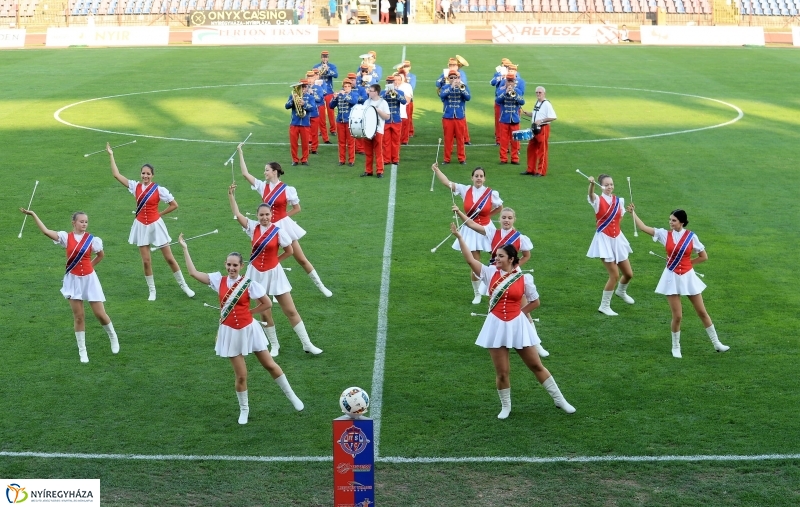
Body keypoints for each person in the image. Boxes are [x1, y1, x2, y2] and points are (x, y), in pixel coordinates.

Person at [451, 223, 575, 419]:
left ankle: (560, 400)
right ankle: (506, 406)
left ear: (511, 259)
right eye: (496, 255)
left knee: (536, 365)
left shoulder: (524, 278)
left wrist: (519, 313)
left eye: (500, 256)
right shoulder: (489, 273)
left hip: (518, 326)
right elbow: (469, 260)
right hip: (495, 326)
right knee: (502, 372)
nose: (496, 258)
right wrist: (460, 237)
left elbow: (535, 302)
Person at [179, 235, 305, 425]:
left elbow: (267, 303)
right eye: (229, 265)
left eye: (235, 265)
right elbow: (193, 273)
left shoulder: (250, 284)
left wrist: (250, 312)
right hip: (230, 332)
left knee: (270, 365)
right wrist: (185, 248)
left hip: (250, 329)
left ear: (241, 266)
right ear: (225, 264)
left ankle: (292, 396)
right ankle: (244, 409)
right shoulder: (218, 280)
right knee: (241, 375)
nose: (231, 268)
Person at [228, 184, 324, 356]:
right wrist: (231, 195)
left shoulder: (279, 232)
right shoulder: (252, 228)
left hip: (275, 274)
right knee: (265, 312)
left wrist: (275, 262)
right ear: (257, 216)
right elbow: (237, 214)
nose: (264, 217)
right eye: (261, 215)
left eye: (267, 214)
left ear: (271, 215)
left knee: (290, 310)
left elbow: (289, 251)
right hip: (256, 274)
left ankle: (307, 344)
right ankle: (274, 345)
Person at [627, 206, 729, 358]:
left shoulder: (691, 237)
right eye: (670, 220)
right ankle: (675, 347)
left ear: (682, 222)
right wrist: (633, 213)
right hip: (671, 278)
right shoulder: (664, 234)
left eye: (673, 220)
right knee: (678, 316)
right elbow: (643, 227)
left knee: (702, 312)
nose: (670, 222)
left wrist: (688, 264)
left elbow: (703, 256)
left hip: (688, 278)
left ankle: (717, 343)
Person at [19, 209, 119, 363]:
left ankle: (113, 337)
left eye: (86, 222)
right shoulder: (66, 237)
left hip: (90, 280)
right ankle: (82, 351)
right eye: (81, 221)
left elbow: (100, 255)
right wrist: (33, 214)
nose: (84, 224)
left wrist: (90, 267)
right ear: (74, 223)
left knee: (100, 313)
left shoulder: (92, 240)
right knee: (79, 317)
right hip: (73, 280)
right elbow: (46, 231)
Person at [452, 205, 549, 358]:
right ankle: (496, 339)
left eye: (509, 218)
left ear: (514, 219)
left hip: (513, 275)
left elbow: (526, 255)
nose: (506, 220)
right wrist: (459, 212)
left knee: (524, 309)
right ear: (499, 219)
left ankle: (536, 345)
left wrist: (514, 265)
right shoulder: (492, 232)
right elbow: (471, 224)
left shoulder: (520, 237)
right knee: (494, 306)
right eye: (504, 217)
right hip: (494, 273)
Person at [237, 146, 333, 298]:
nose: (264, 172)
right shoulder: (262, 187)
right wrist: (240, 153)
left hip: (284, 226)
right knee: (268, 259)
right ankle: (273, 292)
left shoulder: (287, 189)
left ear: (274, 172)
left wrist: (283, 217)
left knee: (301, 258)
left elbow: (297, 208)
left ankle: (321, 286)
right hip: (267, 228)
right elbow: (245, 173)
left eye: (267, 170)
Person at [107, 143, 195, 301]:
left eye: (148, 174)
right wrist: (111, 155)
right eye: (143, 173)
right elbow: (116, 175)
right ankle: (152, 291)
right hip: (141, 226)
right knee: (146, 261)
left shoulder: (159, 189)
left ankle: (184, 286)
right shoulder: (135, 186)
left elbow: (174, 205)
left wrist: (160, 214)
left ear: (152, 175)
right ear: (140, 174)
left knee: (169, 258)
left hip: (156, 225)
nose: (145, 176)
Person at [432, 163, 502, 304]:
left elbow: (499, 207)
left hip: (487, 229)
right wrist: (437, 170)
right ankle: (477, 293)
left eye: (481, 176)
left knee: (499, 257)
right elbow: (447, 183)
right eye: (476, 176)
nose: (479, 178)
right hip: (470, 230)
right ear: (472, 178)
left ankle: (500, 287)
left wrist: (487, 216)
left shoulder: (491, 193)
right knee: (475, 262)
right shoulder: (465, 189)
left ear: (484, 178)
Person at [586, 174, 635, 316]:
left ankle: (621, 291)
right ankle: (604, 306)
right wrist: (591, 184)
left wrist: (630, 212)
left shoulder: (619, 201)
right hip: (604, 240)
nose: (609, 187)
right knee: (614, 275)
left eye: (611, 184)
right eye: (606, 185)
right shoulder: (597, 200)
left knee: (628, 274)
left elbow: (618, 220)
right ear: (600, 186)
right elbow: (591, 194)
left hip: (617, 239)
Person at [520, 86, 556, 176]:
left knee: (542, 150)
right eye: (537, 92)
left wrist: (541, 121)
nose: (538, 94)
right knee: (531, 148)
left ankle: (541, 171)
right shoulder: (538, 102)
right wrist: (527, 113)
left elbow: (553, 117)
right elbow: (536, 114)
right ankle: (530, 169)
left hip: (543, 128)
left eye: (540, 92)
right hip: (534, 128)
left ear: (544, 93)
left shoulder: (547, 104)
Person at [439, 69, 470, 165]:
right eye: (451, 77)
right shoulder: (445, 87)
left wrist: (461, 88)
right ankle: (446, 159)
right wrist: (451, 87)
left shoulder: (463, 86)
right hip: (448, 116)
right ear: (448, 79)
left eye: (455, 77)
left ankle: (462, 158)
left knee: (460, 139)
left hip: (459, 116)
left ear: (458, 78)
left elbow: (468, 97)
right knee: (448, 139)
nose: (453, 79)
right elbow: (442, 96)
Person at [361, 84, 391, 178]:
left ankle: (380, 171)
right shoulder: (366, 102)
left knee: (378, 152)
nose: (369, 92)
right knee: (368, 152)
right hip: (367, 130)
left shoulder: (383, 103)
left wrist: (378, 111)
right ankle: (368, 170)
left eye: (371, 91)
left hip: (378, 130)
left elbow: (387, 117)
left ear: (376, 92)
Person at [495, 72, 525, 165]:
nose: (510, 83)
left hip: (515, 119)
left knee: (515, 141)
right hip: (504, 118)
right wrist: (505, 93)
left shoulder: (518, 91)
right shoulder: (501, 90)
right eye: (509, 81)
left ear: (514, 82)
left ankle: (514, 159)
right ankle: (503, 159)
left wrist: (515, 95)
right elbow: (497, 101)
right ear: (506, 82)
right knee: (503, 140)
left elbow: (522, 102)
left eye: (512, 81)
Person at [328, 79, 358, 166]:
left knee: (351, 142)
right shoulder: (339, 94)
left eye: (348, 86)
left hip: (349, 121)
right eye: (345, 86)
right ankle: (342, 160)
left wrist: (344, 95)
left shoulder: (354, 94)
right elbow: (331, 106)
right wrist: (334, 98)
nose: (347, 88)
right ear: (343, 87)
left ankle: (351, 160)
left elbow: (354, 102)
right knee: (341, 142)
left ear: (351, 87)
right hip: (340, 121)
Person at [285, 79, 315, 166]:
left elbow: (312, 108)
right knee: (293, 143)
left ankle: (304, 159)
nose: (304, 88)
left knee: (305, 143)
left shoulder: (310, 97)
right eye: (302, 87)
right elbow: (286, 106)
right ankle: (295, 160)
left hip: (305, 124)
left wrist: (304, 104)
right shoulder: (293, 96)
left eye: (305, 87)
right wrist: (293, 101)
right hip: (294, 123)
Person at [381, 74, 407, 166]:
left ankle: (395, 159)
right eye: (389, 82)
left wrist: (396, 93)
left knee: (396, 141)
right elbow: (378, 101)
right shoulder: (382, 93)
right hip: (386, 120)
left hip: (396, 119)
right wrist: (386, 93)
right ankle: (386, 159)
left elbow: (404, 102)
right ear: (386, 83)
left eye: (392, 82)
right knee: (386, 141)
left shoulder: (400, 92)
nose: (390, 83)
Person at [313, 50, 339, 138]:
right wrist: (318, 72)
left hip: (329, 91)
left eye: (326, 57)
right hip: (319, 92)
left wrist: (328, 69)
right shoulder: (316, 66)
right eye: (323, 57)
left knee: (331, 111)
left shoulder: (332, 66)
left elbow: (336, 75)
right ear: (321, 58)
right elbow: (313, 76)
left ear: (328, 58)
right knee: (320, 112)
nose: (325, 58)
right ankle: (321, 130)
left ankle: (333, 129)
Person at [396, 70, 414, 145]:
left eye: (399, 79)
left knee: (405, 122)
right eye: (396, 79)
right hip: (395, 105)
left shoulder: (407, 86)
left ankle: (404, 139)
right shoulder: (392, 86)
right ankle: (398, 138)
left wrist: (398, 93)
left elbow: (408, 98)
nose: (397, 81)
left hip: (405, 105)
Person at [402, 61, 416, 137]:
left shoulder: (412, 76)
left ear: (410, 67)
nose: (405, 68)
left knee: (409, 116)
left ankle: (410, 131)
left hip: (408, 99)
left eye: (406, 66)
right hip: (400, 99)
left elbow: (412, 86)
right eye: (403, 66)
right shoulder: (398, 75)